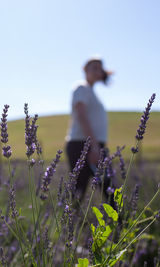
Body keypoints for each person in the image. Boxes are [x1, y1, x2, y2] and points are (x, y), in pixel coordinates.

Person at [65, 56, 113, 202]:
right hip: (83, 145)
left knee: (107, 189)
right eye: (94, 67)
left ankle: (119, 222)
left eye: (100, 68)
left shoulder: (90, 91)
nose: (98, 70)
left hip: (91, 145)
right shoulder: (82, 87)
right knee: (80, 192)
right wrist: (93, 148)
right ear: (85, 70)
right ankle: (119, 223)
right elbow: (81, 116)